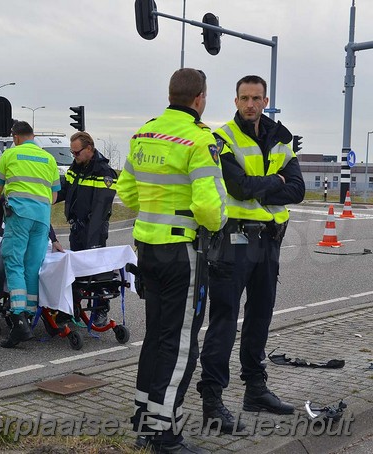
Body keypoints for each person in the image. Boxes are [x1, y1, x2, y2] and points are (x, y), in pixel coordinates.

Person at [116, 68, 227, 454]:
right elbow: (210, 207)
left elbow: (126, 192)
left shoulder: (144, 133)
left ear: (171, 94)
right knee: (180, 344)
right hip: (183, 252)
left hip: (146, 248)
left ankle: (145, 417)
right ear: (200, 98)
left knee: (156, 337)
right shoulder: (199, 140)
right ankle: (164, 434)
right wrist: (215, 221)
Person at [197, 75, 305, 433]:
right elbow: (238, 188)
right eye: (244, 98)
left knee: (260, 317)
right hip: (233, 242)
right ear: (235, 100)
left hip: (269, 241)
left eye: (256, 98)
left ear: (265, 99)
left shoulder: (281, 137)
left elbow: (300, 190)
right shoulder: (222, 137)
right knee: (224, 321)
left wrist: (265, 188)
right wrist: (275, 182)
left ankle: (255, 390)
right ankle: (212, 401)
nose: (250, 104)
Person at [0, 121, 61, 348]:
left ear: (16, 137)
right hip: (42, 218)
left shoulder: (11, 154)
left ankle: (18, 318)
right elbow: (54, 196)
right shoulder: (48, 159)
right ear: (33, 136)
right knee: (32, 267)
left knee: (13, 262)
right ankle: (29, 317)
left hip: (19, 214)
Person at [56, 131, 117, 326]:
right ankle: (72, 307)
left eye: (76, 153)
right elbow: (65, 189)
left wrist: (91, 241)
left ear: (89, 149)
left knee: (96, 272)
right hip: (77, 229)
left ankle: (100, 310)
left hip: (95, 230)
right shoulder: (76, 167)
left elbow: (100, 209)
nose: (74, 156)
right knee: (75, 270)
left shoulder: (104, 172)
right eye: (72, 153)